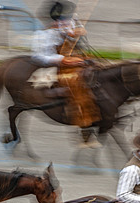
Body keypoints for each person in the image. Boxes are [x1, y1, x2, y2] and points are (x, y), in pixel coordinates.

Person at [31, 1, 99, 129]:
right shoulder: (42, 36)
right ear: (53, 21)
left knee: (98, 69)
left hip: (75, 59)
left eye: (65, 20)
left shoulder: (66, 25)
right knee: (75, 81)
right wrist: (62, 60)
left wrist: (77, 32)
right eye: (60, 21)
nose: (64, 24)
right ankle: (82, 117)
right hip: (56, 67)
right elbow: (40, 57)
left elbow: (73, 29)